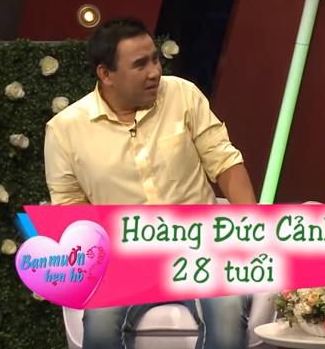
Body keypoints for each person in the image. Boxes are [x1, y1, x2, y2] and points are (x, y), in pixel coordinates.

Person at [44, 17, 255, 349]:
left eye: (155, 59)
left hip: (201, 248)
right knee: (100, 325)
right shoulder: (64, 130)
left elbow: (225, 162)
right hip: (125, 259)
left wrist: (252, 230)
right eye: (140, 64)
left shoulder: (183, 95)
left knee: (228, 310)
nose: (155, 72)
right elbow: (70, 207)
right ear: (105, 74)